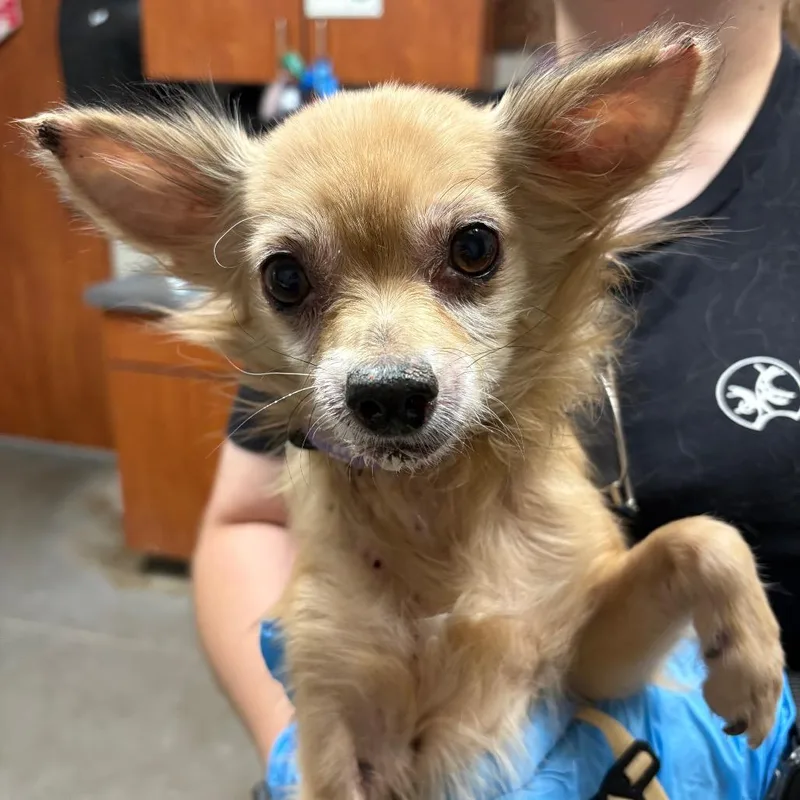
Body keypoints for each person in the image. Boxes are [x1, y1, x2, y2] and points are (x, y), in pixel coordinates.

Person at [193, 0, 800, 787]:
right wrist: (331, 745)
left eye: (470, 252)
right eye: (292, 281)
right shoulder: (367, 156)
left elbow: (592, 656)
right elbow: (244, 517)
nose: (383, 368)